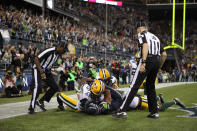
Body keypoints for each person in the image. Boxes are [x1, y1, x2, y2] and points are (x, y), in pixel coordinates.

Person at [113, 22, 167, 118]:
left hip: (148, 59)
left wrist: (144, 62)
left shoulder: (142, 34)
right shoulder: (155, 37)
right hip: (157, 60)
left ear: (139, 29)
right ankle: (154, 112)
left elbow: (145, 45)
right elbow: (164, 54)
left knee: (134, 85)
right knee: (150, 87)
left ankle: (122, 110)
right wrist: (159, 67)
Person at [28, 43, 68, 114]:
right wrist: (42, 72)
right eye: (64, 49)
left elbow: (49, 64)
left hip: (46, 71)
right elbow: (36, 59)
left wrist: (52, 71)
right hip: (37, 68)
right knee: (38, 87)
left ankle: (41, 101)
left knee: (55, 87)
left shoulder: (58, 54)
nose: (64, 51)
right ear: (60, 47)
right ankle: (31, 107)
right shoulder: (49, 50)